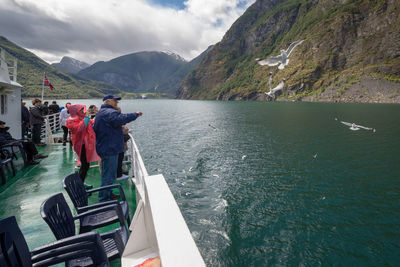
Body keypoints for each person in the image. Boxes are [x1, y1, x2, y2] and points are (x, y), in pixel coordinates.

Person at [93, 94, 142, 202]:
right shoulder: (109, 113)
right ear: (108, 101)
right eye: (115, 101)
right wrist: (136, 114)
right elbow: (122, 118)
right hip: (109, 149)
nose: (117, 103)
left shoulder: (103, 113)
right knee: (108, 176)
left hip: (107, 147)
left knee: (109, 175)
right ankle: (104, 200)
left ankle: (108, 194)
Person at [66, 104, 100, 188]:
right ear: (75, 111)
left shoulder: (81, 118)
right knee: (85, 165)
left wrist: (98, 115)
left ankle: (81, 183)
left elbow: (93, 122)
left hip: (85, 144)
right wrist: (87, 117)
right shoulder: (71, 120)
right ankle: (80, 185)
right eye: (81, 110)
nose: (83, 112)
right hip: (80, 145)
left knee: (85, 165)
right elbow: (80, 129)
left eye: (82, 110)